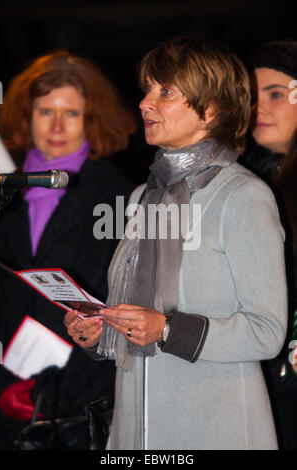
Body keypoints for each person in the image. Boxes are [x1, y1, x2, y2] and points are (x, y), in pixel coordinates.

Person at [64, 36, 287, 450]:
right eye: (147, 90)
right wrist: (100, 330)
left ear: (213, 109)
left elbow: (267, 331)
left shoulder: (242, 196)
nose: (145, 103)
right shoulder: (141, 198)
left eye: (165, 92)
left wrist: (165, 329)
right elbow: (136, 324)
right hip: (135, 435)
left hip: (217, 430)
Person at [0, 51, 136, 449]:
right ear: (26, 114)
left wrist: (45, 386)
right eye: (45, 112)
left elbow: (120, 299)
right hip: (5, 383)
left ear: (91, 118)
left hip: (82, 392)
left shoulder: (117, 193)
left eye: (71, 113)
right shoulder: (6, 186)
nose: (57, 126)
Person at [239, 40, 297, 450]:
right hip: (263, 370)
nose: (260, 107)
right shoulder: (248, 178)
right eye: (253, 96)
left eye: (276, 94)